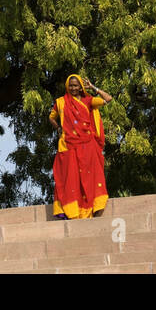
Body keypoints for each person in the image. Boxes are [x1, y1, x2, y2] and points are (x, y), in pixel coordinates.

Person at [49, 74, 112, 219]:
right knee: (70, 178)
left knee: (90, 177)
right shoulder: (61, 102)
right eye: (70, 85)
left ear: (80, 87)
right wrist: (58, 128)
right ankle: (73, 210)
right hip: (68, 145)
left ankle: (93, 207)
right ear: (67, 86)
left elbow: (108, 99)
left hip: (87, 145)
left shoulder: (88, 100)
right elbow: (51, 117)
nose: (73, 88)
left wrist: (93, 88)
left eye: (76, 85)